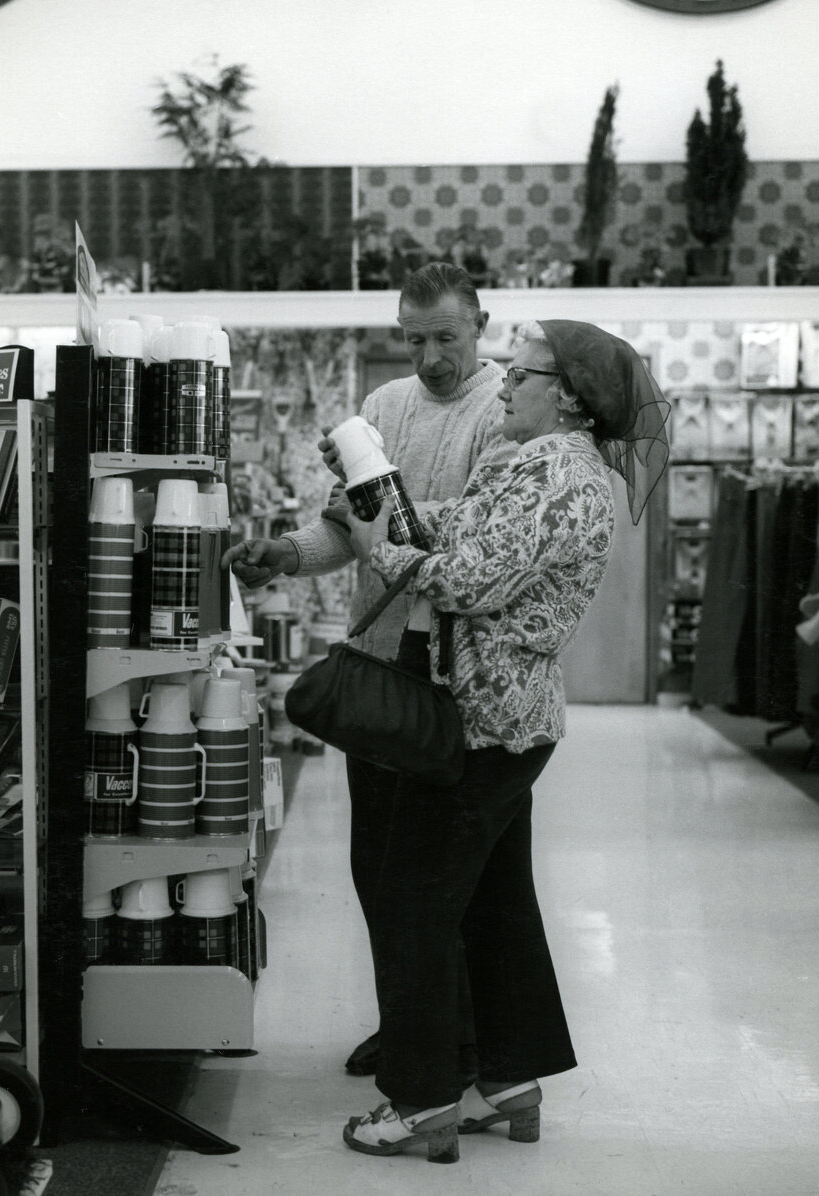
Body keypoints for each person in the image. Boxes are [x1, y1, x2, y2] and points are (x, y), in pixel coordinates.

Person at [336, 319, 669, 1162]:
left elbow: (466, 579)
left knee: (413, 900)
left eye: (519, 376)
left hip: (480, 724)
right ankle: (509, 1079)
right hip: (507, 718)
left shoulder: (555, 473)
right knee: (494, 906)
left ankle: (419, 1102)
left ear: (564, 395)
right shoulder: (539, 466)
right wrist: (379, 490)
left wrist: (380, 547)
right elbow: (458, 524)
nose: (504, 385)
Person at [225, 262, 508, 1076]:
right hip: (377, 668)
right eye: (413, 338)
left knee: (444, 879)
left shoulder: (501, 415)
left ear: (480, 324)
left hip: (457, 677)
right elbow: (345, 534)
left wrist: (377, 509)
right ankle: (407, 1025)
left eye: (445, 338)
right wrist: (284, 553)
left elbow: (455, 547)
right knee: (377, 866)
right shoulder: (382, 409)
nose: (428, 356)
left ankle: (454, 1038)